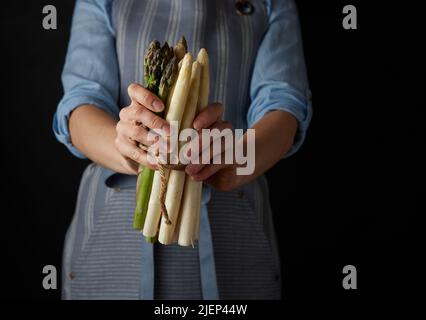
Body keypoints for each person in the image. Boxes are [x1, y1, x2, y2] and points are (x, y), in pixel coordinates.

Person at [53, 0, 312, 300]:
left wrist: (242, 156)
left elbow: (285, 105)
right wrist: (126, 146)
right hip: (111, 237)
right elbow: (80, 104)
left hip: (236, 230)